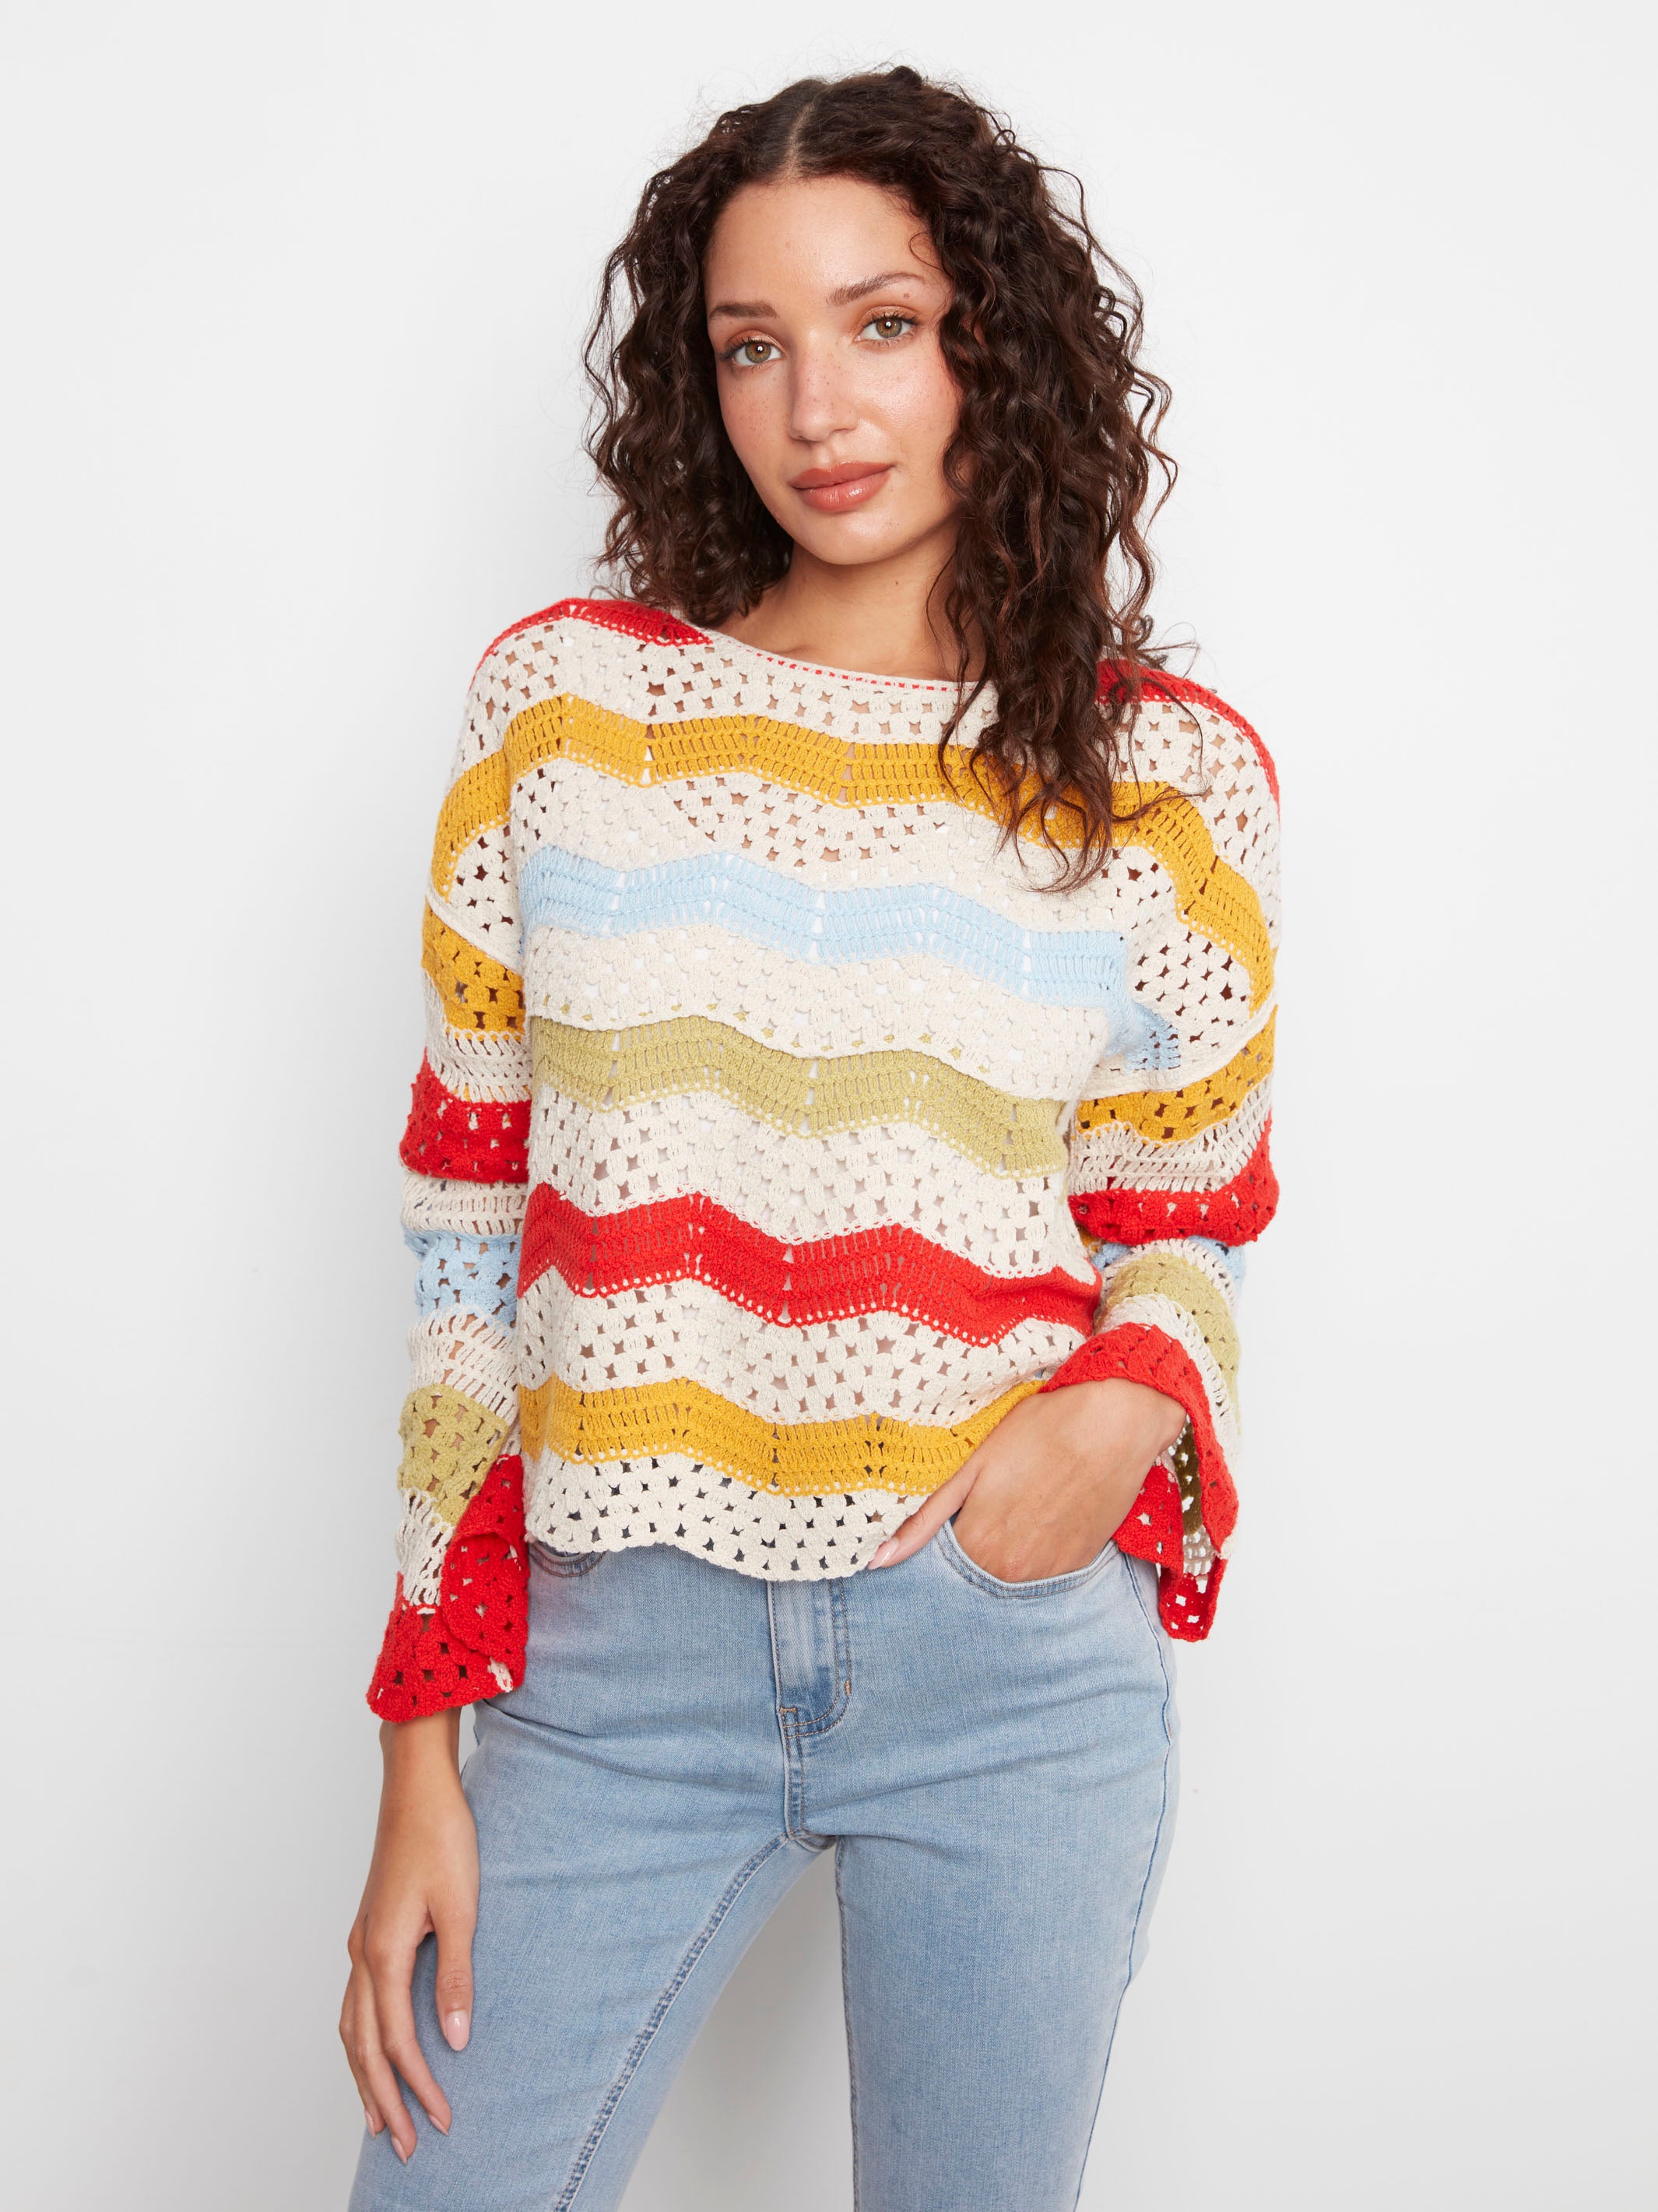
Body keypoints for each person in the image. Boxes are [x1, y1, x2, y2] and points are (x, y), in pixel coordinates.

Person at [341, 64, 1280, 2212]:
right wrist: (418, 1752)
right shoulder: (564, 714)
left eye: (884, 325)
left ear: (992, 349)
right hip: (611, 1666)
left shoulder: (1165, 780)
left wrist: (1113, 1415)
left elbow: (1185, 1216)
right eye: (750, 346)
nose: (817, 408)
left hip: (1003, 1658)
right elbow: (465, 1239)